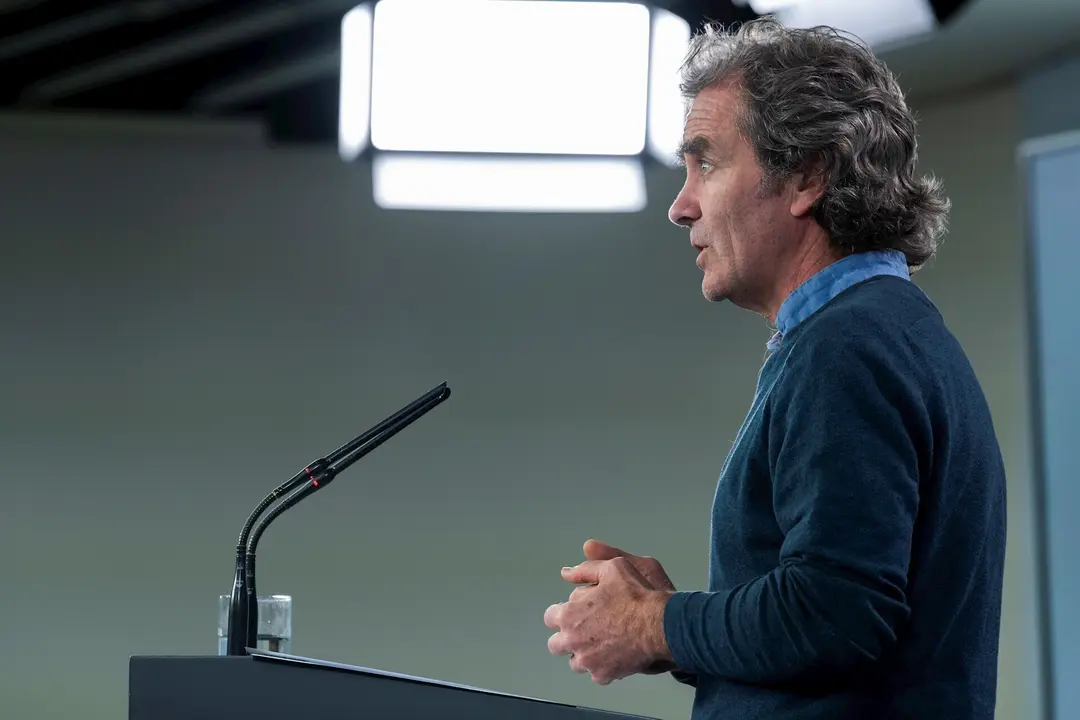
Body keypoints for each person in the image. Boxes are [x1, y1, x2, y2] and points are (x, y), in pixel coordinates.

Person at [542, 17, 1007, 720]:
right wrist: (673, 626)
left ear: (808, 176)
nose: (680, 205)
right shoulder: (879, 333)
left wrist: (653, 623)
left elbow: (834, 614)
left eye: (708, 163)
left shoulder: (848, 348)